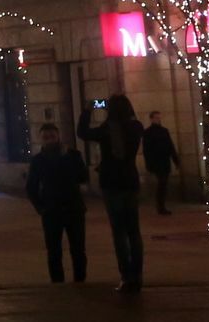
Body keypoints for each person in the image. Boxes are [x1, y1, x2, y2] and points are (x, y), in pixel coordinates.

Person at [78, 95, 145, 291]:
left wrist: (88, 110)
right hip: (130, 181)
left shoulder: (107, 130)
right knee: (134, 231)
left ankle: (125, 276)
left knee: (119, 231)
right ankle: (137, 276)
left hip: (111, 183)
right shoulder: (137, 127)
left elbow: (82, 132)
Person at [26, 122, 89, 284]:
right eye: (46, 138)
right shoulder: (38, 160)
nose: (50, 141)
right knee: (54, 250)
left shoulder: (73, 155)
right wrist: (41, 208)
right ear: (41, 140)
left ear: (58, 136)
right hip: (51, 210)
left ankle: (80, 280)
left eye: (52, 137)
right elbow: (31, 187)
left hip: (73, 208)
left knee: (78, 249)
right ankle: (57, 283)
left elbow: (83, 176)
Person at [143, 111, 181, 214]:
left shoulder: (164, 131)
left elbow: (170, 146)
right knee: (162, 183)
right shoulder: (148, 133)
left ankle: (161, 205)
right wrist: (149, 164)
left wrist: (176, 160)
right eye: (156, 118)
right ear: (151, 119)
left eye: (159, 118)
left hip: (164, 161)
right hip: (157, 162)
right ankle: (160, 206)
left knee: (163, 184)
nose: (158, 120)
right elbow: (146, 150)